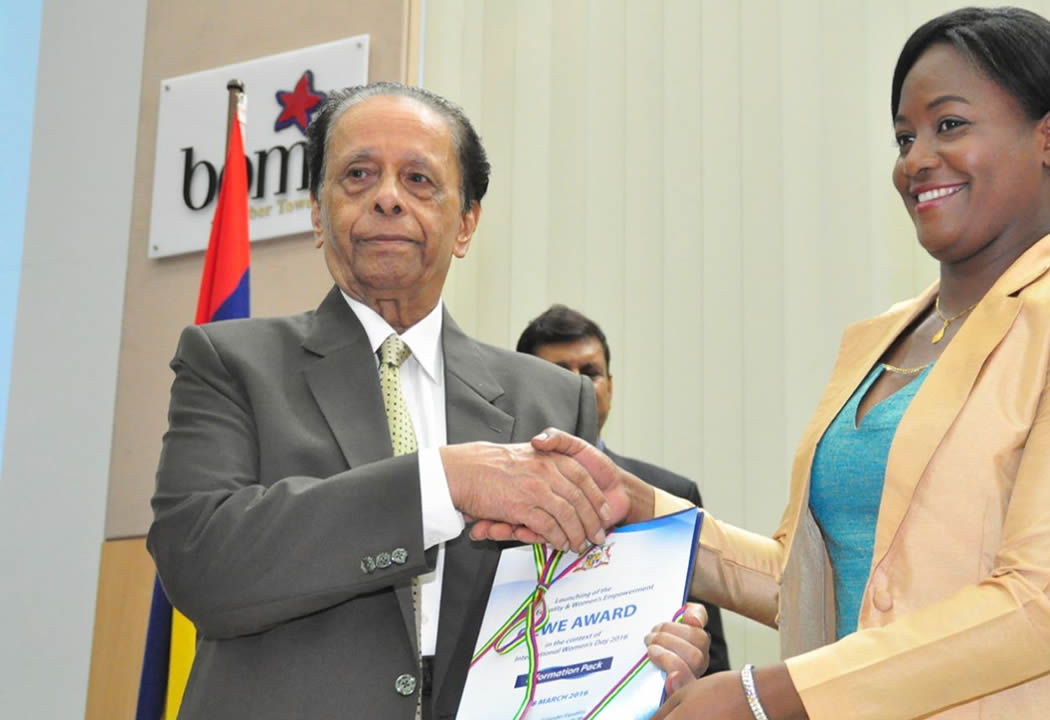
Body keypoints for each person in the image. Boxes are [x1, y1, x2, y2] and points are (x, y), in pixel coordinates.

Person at [511, 7, 1050, 719]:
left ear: (1049, 136)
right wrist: (636, 503)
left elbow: (1042, 603)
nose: (916, 159)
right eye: (905, 137)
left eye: (949, 124)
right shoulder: (881, 339)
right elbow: (809, 583)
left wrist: (763, 696)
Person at [147, 82, 708, 720]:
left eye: (418, 179)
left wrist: (641, 654)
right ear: (317, 214)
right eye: (358, 175)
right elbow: (200, 562)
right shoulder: (229, 362)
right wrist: (441, 484)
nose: (387, 197)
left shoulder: (553, 399)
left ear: (465, 224)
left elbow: (580, 608)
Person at [516, 304, 733, 673]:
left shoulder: (670, 497)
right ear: (523, 386)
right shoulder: (487, 500)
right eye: (560, 372)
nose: (579, 386)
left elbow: (710, 660)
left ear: (611, 387)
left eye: (591, 373)